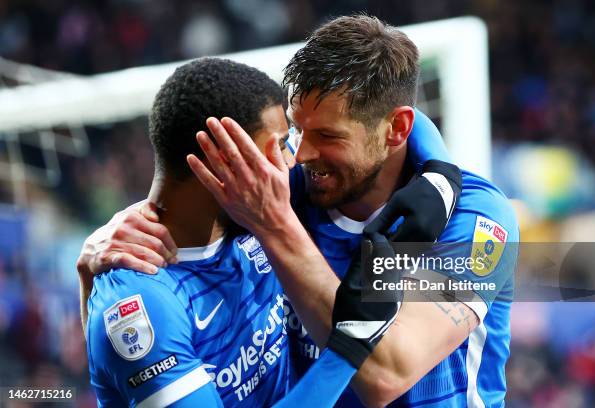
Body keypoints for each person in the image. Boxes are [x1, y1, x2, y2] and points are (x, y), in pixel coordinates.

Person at [80, 15, 518, 407]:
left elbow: (387, 375)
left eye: (328, 135)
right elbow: (190, 189)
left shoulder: (478, 221)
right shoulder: (290, 184)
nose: (301, 152)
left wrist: (274, 226)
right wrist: (123, 234)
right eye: (295, 127)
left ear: (396, 128)